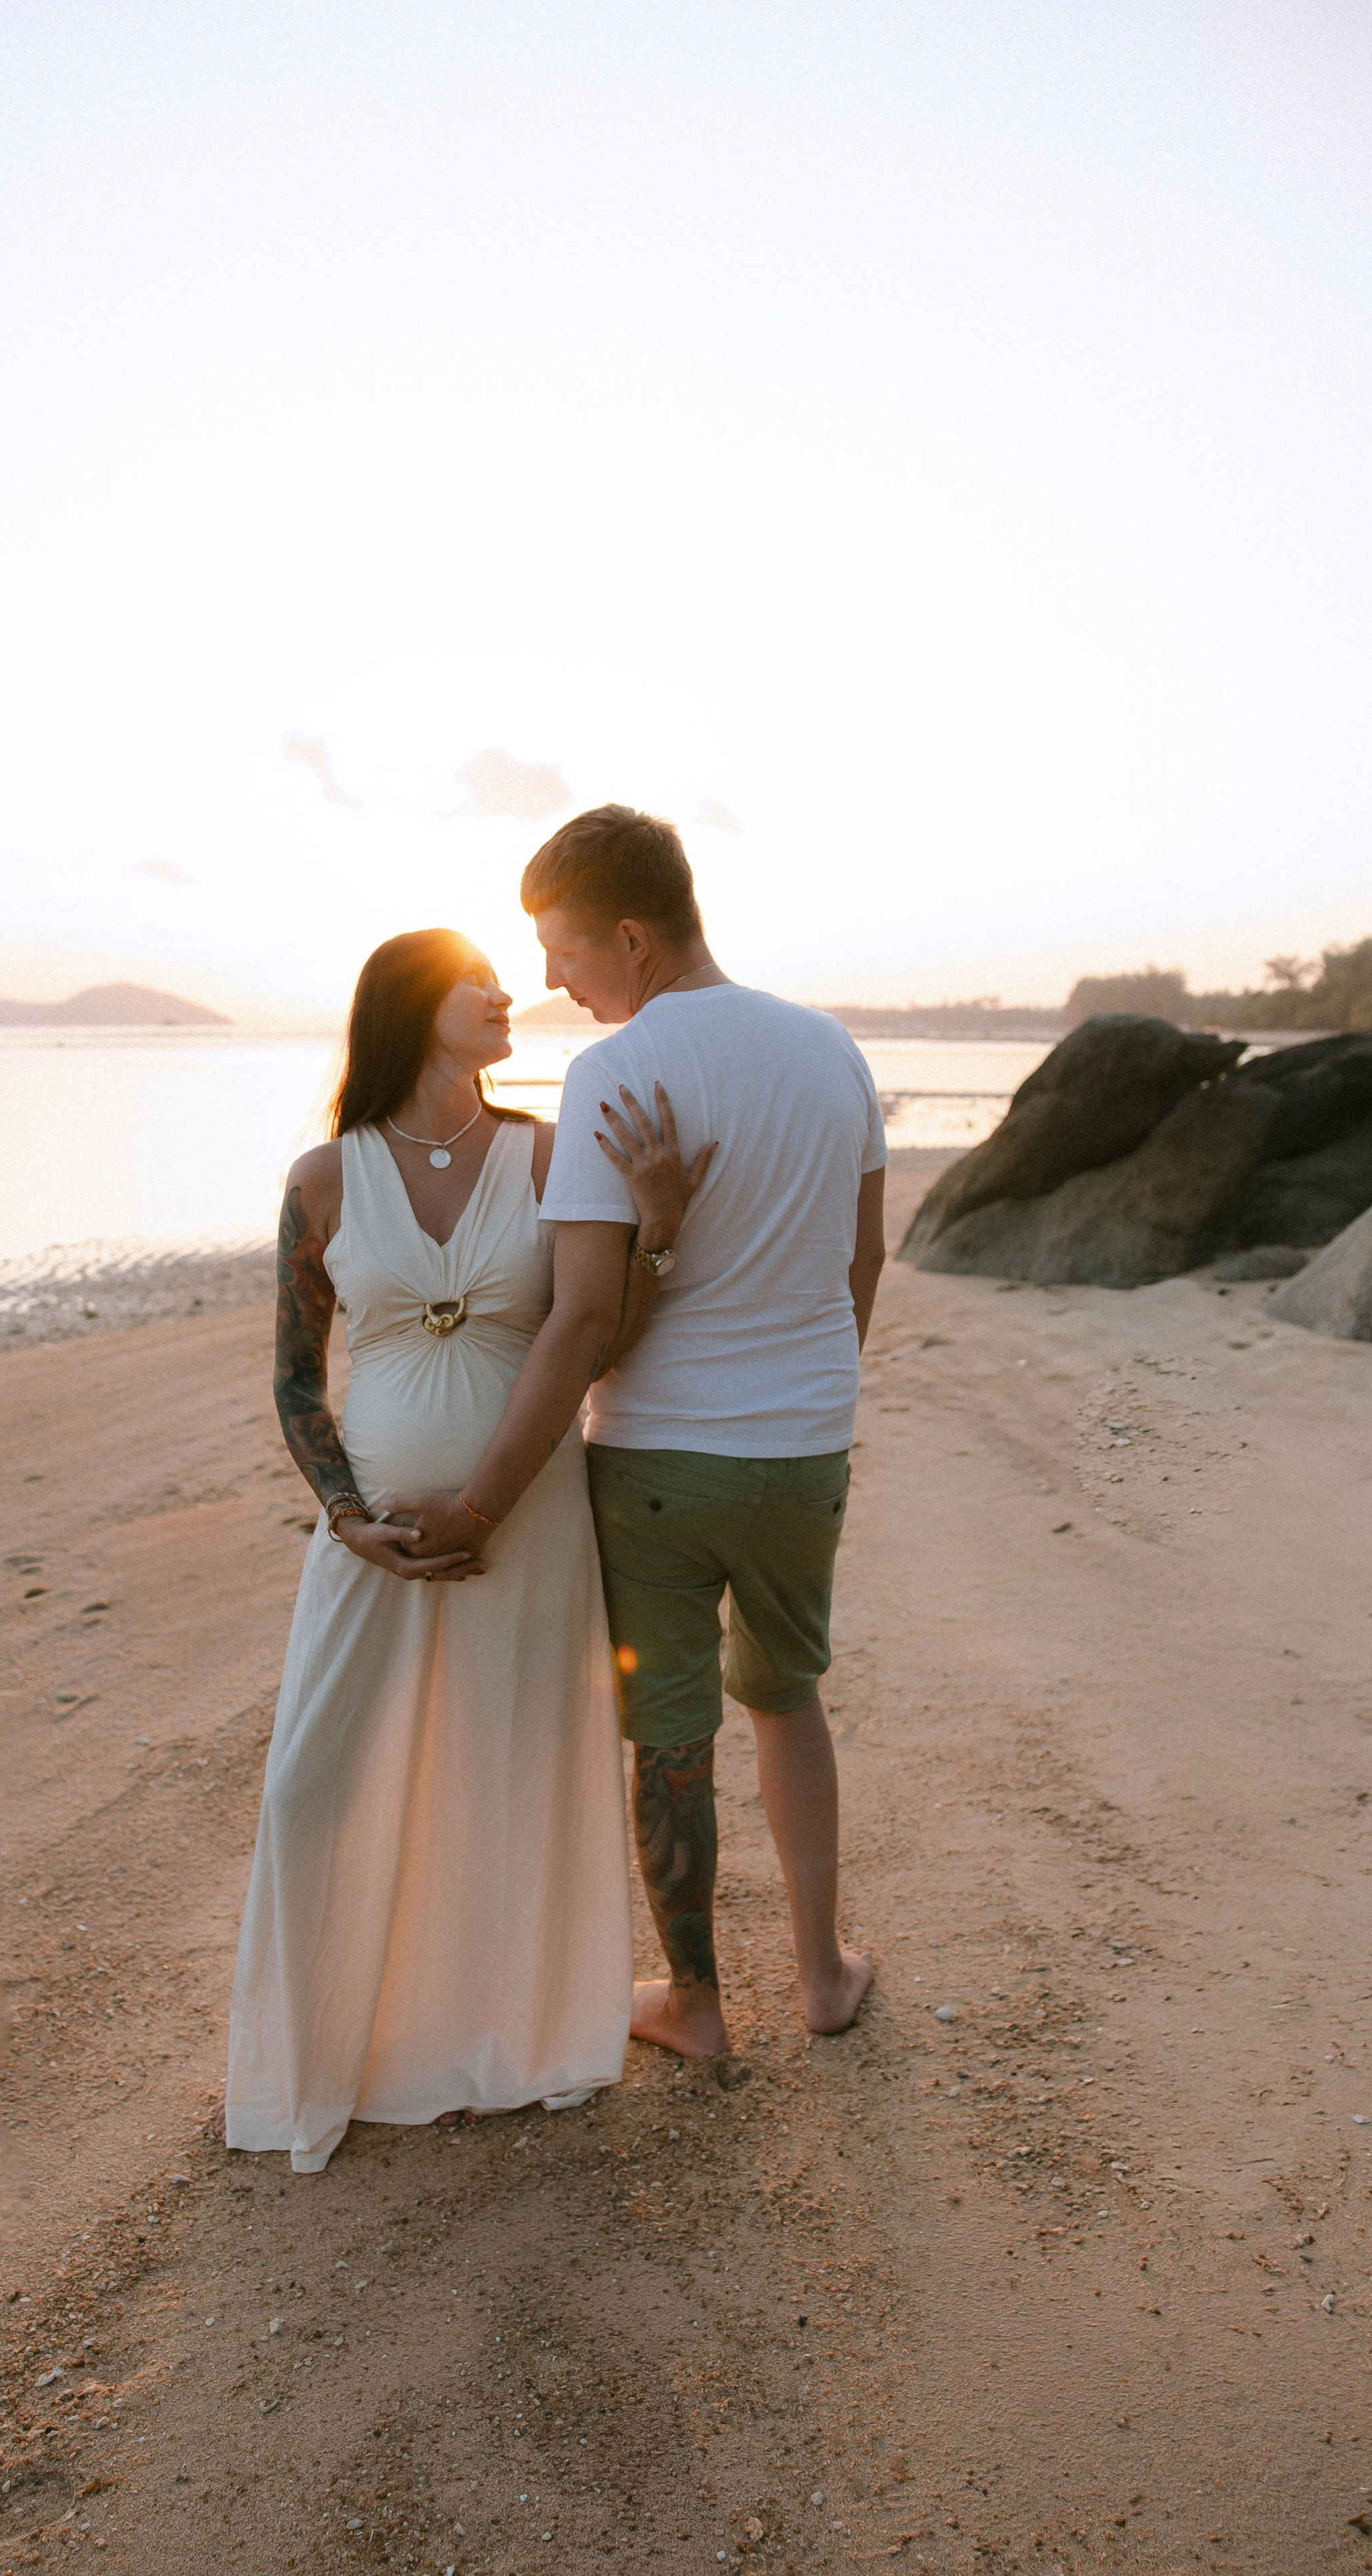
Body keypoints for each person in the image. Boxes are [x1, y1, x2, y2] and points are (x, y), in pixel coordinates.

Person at [218, 926, 710, 2171]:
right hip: (370, 1540)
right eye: (474, 977)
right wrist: (346, 1518)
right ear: (407, 1007)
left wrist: (657, 1227)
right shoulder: (322, 1180)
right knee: (311, 1785)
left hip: (532, 1520)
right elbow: (291, 1382)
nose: (506, 993)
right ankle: (320, 2058)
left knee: (509, 1777)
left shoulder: (556, 1155)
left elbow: (598, 1334)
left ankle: (508, 2042)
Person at [397, 808, 887, 2058]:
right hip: (804, 1449)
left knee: (671, 1730)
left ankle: (701, 2007)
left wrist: (482, 1504)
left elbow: (580, 1325)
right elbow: (863, 1259)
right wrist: (812, 1393)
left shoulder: (618, 1075)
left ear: (630, 934)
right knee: (788, 1697)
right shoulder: (833, 1051)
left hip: (661, 1455)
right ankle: (824, 1977)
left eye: (563, 953)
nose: (553, 985)